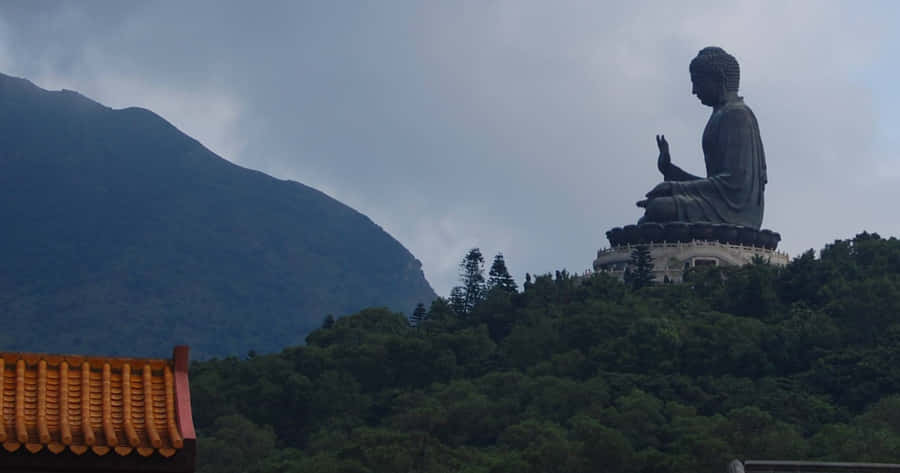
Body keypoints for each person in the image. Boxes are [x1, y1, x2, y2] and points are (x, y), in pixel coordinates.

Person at [637, 46, 767, 229]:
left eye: (697, 82)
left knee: (659, 208)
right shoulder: (720, 115)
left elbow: (734, 184)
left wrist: (675, 187)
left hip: (736, 211)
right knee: (652, 214)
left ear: (718, 78)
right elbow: (716, 184)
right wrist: (670, 170)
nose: (694, 90)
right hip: (718, 202)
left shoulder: (737, 115)